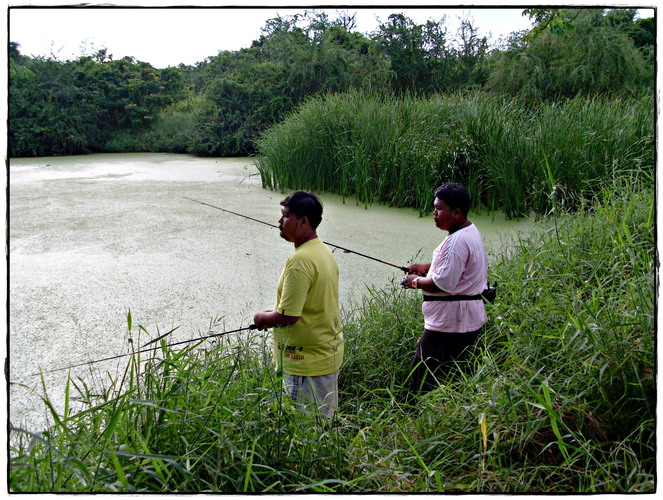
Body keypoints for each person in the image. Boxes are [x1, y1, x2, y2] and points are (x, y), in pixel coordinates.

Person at [253, 190, 343, 416]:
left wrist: (262, 318)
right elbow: (305, 305)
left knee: (304, 430)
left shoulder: (300, 261)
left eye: (285, 216)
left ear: (303, 221)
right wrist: (275, 312)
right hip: (325, 355)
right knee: (323, 425)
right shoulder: (322, 252)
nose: (279, 221)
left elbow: (289, 317)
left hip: (305, 363)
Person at [402, 182, 488, 394]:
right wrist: (426, 267)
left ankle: (415, 415)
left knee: (421, 377)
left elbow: (443, 284)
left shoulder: (457, 241)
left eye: (439, 208)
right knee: (449, 375)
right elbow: (456, 266)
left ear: (456, 212)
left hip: (449, 325)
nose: (434, 213)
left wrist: (414, 281)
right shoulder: (468, 231)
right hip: (461, 320)